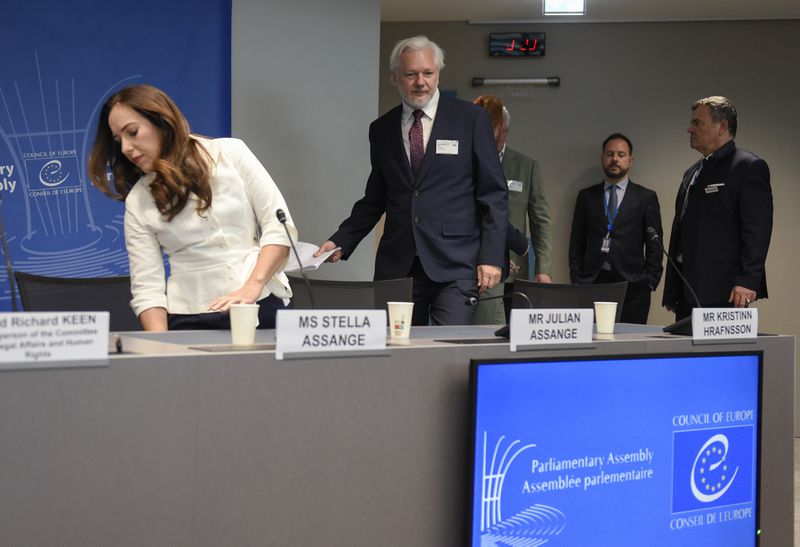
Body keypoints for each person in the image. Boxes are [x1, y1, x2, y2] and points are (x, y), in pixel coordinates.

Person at [315, 36, 507, 326]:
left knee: (448, 349)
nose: (420, 81)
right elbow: (376, 197)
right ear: (395, 77)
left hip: (455, 263)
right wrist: (341, 240)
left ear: (438, 74)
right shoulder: (381, 129)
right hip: (398, 266)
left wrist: (491, 256)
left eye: (428, 73)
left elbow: (493, 194)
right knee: (397, 353)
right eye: (410, 74)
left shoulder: (471, 119)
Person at [88, 84, 296, 331]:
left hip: (261, 302)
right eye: (118, 140)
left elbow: (278, 227)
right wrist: (162, 349)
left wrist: (253, 286)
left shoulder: (231, 153)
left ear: (163, 121)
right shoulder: (138, 200)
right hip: (190, 318)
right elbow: (148, 288)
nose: (125, 148)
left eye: (132, 132)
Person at [662, 96, 773, 320]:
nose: (689, 129)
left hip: (726, 292)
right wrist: (673, 287)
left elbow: (757, 230)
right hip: (687, 290)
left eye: (697, 123)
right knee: (686, 355)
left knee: (719, 355)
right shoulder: (692, 172)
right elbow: (682, 231)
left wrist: (747, 280)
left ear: (722, 126)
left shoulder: (748, 167)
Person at [471, 95, 553, 324]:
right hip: (475, 264)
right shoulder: (466, 161)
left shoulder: (526, 166)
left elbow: (541, 220)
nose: (497, 137)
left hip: (516, 268)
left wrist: (543, 268)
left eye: (502, 131)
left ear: (506, 130)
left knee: (511, 333)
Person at [568, 133, 663, 324]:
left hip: (633, 286)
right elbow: (576, 241)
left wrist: (650, 281)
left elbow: (655, 243)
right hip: (592, 283)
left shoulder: (645, 197)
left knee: (630, 343)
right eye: (610, 154)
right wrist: (577, 278)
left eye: (621, 154)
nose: (615, 159)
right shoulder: (587, 196)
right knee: (593, 343)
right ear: (602, 158)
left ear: (630, 160)